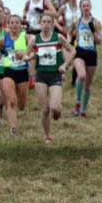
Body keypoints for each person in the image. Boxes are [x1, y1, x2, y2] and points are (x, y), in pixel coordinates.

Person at [28, 15, 75, 143]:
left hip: (55, 74)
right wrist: (29, 58)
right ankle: (47, 136)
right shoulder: (34, 40)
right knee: (45, 109)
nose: (46, 24)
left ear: (52, 24)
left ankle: (57, 112)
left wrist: (65, 65)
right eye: (44, 21)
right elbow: (28, 55)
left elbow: (72, 51)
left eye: (49, 22)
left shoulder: (58, 37)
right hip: (41, 75)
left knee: (55, 108)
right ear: (40, 23)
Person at [0, 15, 31, 136]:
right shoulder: (4, 39)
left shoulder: (26, 37)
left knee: (22, 105)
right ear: (8, 25)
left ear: (20, 25)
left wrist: (27, 55)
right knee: (11, 100)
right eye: (12, 23)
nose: (14, 25)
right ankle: (13, 128)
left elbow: (34, 50)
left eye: (17, 23)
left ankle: (20, 105)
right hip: (8, 71)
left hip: (23, 71)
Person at [70, 0, 101, 117]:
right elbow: (69, 32)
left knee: (88, 85)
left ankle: (83, 110)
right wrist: (69, 43)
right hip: (80, 51)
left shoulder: (97, 22)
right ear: (80, 8)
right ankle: (78, 102)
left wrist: (93, 31)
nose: (86, 8)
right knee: (81, 76)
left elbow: (99, 41)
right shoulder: (76, 22)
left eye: (88, 5)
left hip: (92, 53)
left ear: (91, 7)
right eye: (83, 6)